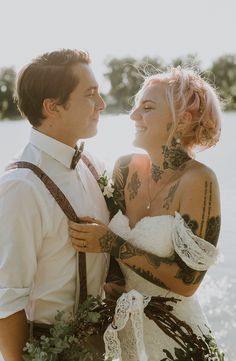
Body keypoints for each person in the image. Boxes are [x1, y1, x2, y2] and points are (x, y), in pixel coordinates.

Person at [69, 67, 224, 360]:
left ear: (183, 120)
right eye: (136, 106)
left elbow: (187, 282)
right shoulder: (125, 169)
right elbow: (111, 266)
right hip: (123, 331)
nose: (133, 116)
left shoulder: (198, 181)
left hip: (176, 338)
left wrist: (111, 243)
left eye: (147, 108)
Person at [0, 49, 112, 361]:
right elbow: (7, 299)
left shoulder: (94, 164)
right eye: (90, 95)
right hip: (48, 349)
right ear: (52, 107)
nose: (101, 105)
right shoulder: (21, 187)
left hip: (103, 344)